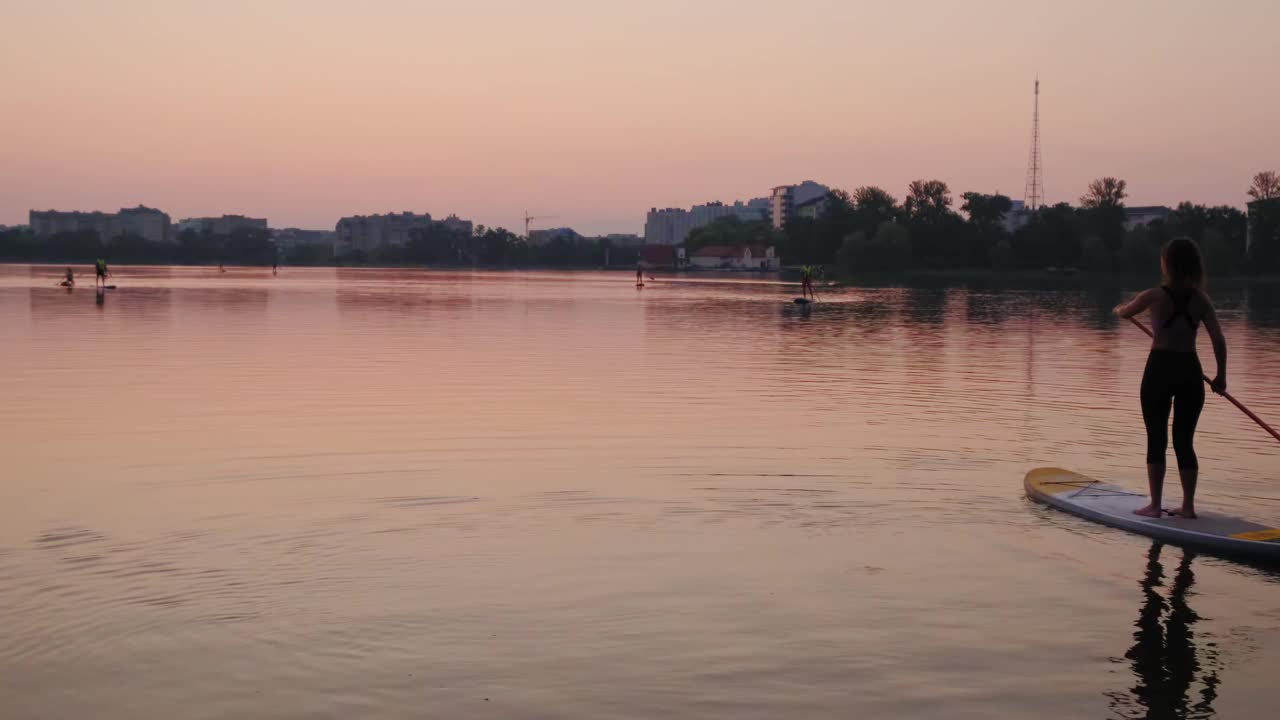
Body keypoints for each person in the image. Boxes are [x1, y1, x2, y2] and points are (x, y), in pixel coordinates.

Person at [1113, 237, 1227, 519]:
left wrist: (1120, 310)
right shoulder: (1202, 301)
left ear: (1167, 264)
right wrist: (1221, 376)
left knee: (1156, 438)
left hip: (1160, 370)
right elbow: (1219, 340)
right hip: (1190, 370)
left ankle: (1155, 505)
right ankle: (1188, 507)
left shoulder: (1153, 296)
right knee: (1184, 440)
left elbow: (1125, 312)